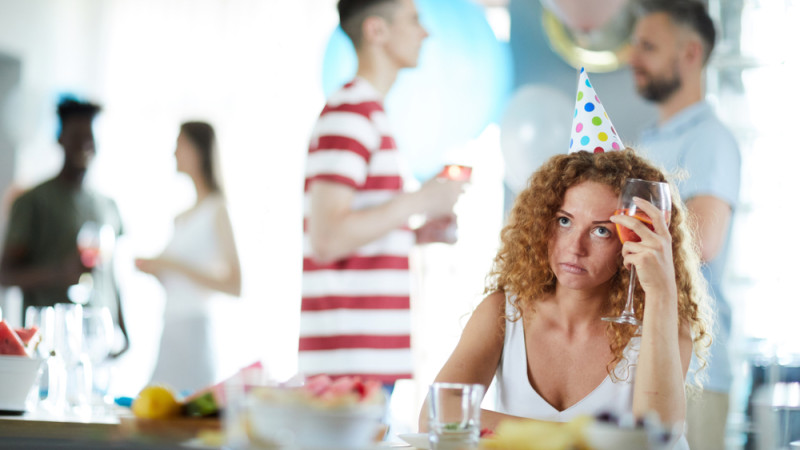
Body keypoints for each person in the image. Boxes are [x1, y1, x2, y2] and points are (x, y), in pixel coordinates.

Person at [419, 149, 712, 449]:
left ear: (633, 240)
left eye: (601, 231)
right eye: (564, 221)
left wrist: (661, 292)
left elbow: (656, 438)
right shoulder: (503, 312)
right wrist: (581, 438)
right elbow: (436, 415)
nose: (575, 248)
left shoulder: (662, 321)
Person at [300, 0, 466, 390]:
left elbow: (346, 231)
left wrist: (414, 234)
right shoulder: (351, 113)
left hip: (362, 360)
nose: (425, 32)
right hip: (349, 366)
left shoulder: (366, 112)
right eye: (413, 20)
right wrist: (424, 199)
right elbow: (326, 239)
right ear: (377, 31)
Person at [630, 1, 741, 447]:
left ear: (690, 54)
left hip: (694, 368)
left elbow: (704, 240)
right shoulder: (652, 140)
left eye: (648, 47)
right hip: (647, 361)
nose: (633, 58)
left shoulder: (709, 138)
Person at [0, 97, 128, 356]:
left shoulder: (109, 205)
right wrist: (60, 272)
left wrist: (124, 331)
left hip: (97, 344)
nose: (84, 144)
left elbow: (112, 275)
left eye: (90, 136)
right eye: (76, 136)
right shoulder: (32, 201)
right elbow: (6, 275)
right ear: (60, 139)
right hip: (49, 343)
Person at [135, 121, 241, 392]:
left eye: (179, 145)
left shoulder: (217, 210)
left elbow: (235, 285)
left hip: (195, 332)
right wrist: (159, 271)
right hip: (170, 328)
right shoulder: (181, 217)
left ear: (197, 151)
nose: (174, 153)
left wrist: (172, 265)